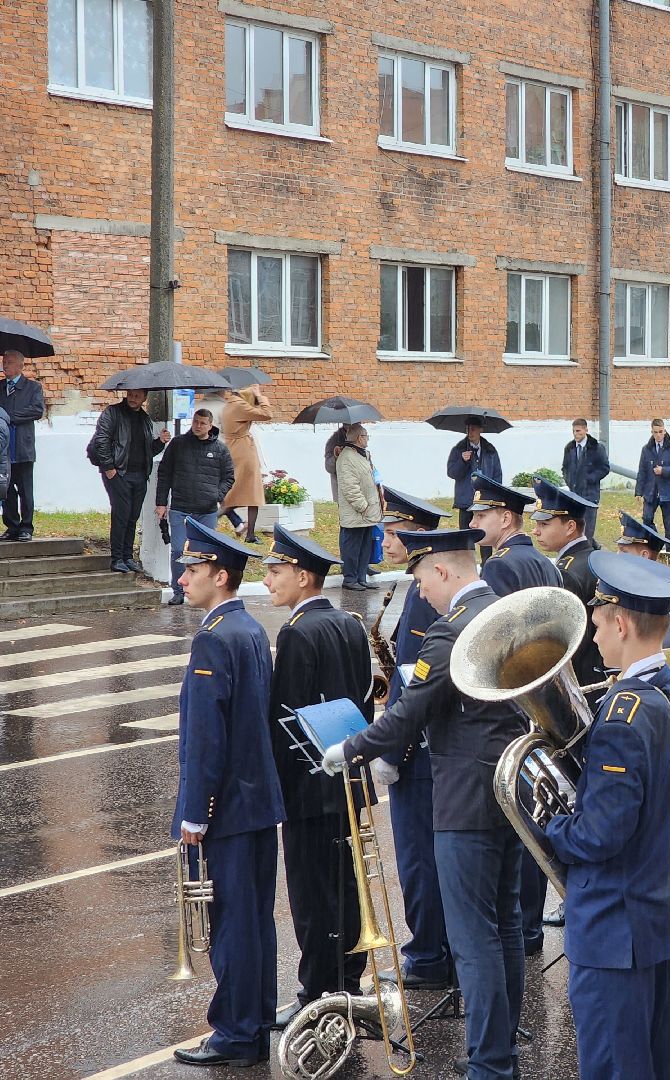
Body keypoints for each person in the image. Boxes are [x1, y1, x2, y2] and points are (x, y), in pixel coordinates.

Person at [321, 528, 529, 1080]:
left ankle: (489, 1062)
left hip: (463, 802)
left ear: (441, 571)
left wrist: (349, 748)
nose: (422, 592)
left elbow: (406, 715)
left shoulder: (450, 631)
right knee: (504, 924)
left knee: (473, 939)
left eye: (420, 579)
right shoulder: (505, 613)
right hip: (511, 794)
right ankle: (501, 1046)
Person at [545, 552, 670, 1078]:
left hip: (617, 928)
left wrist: (552, 825)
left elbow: (600, 834)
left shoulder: (623, 714)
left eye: (596, 625)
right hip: (664, 914)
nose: (592, 638)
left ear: (621, 622)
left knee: (615, 1067)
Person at [170, 521, 285, 1069]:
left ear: (220, 575)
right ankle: (256, 1018)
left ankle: (237, 1032)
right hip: (258, 800)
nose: (183, 578)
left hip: (230, 808)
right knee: (254, 917)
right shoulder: (248, 629)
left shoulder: (214, 638)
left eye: (193, 570)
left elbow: (206, 738)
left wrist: (194, 812)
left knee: (234, 921)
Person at [262, 525, 374, 1024]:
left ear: (304, 577)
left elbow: (283, 720)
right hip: (347, 779)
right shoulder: (348, 623)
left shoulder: (297, 632)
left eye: (276, 570)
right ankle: (348, 979)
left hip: (309, 786)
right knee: (346, 886)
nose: (268, 580)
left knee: (312, 895)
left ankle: (318, 991)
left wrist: (278, 790)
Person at [468, 473, 564, 958]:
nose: (473, 521)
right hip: (542, 705)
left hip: (512, 706)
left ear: (506, 518)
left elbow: (497, 644)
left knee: (521, 823)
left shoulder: (501, 568)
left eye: (481, 515)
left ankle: (524, 929)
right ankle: (528, 925)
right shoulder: (542, 561)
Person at [372, 487, 452, 990]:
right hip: (425, 751)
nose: (385, 538)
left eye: (394, 530)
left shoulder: (424, 600)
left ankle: (427, 954)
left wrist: (391, 752)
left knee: (418, 858)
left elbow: (418, 681)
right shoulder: (413, 587)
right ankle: (431, 946)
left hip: (417, 755)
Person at [531, 478, 605, 692]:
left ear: (570, 526)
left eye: (544, 524)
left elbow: (567, 640)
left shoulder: (566, 572)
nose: (536, 531)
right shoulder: (595, 556)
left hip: (581, 680)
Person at [155, 409, 235, 605]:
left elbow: (229, 477)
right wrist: (161, 502)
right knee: (178, 550)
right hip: (181, 507)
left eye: (203, 423)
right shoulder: (178, 444)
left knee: (205, 553)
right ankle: (178, 591)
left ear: (210, 425)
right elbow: (164, 473)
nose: (198, 426)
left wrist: (216, 496)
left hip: (207, 510)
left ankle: (203, 590)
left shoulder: (220, 449)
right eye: (196, 422)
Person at [90, 388, 170, 574]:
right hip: (119, 473)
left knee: (133, 516)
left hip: (139, 474)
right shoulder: (113, 413)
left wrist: (160, 441)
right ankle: (116, 558)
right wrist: (109, 468)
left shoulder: (144, 418)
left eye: (137, 396)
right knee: (121, 515)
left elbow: (148, 450)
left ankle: (127, 556)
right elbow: (101, 440)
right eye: (130, 394)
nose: (132, 398)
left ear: (144, 398)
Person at [218, 386, 272, 543]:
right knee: (248, 494)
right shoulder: (240, 405)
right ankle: (215, 516)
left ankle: (248, 532)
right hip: (243, 451)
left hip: (233, 448)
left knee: (243, 493)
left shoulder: (228, 404)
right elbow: (267, 414)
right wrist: (260, 396)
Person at [2, 349, 44, 541]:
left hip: (23, 447)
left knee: (26, 490)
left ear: (20, 366)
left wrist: (9, 417)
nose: (5, 365)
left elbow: (36, 410)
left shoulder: (32, 388)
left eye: (9, 362)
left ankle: (26, 527)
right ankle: (12, 526)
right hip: (4, 449)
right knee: (6, 489)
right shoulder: (1, 387)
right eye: (4, 362)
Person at [335, 423, 382, 590]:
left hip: (368, 512)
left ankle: (361, 578)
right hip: (357, 512)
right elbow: (350, 487)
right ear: (358, 438)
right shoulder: (347, 457)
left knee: (364, 547)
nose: (367, 439)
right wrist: (363, 506)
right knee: (352, 548)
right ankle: (350, 579)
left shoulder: (362, 455)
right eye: (365, 436)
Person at [635, 418, 670, 547]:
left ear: (665, 431)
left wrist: (664, 470)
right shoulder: (646, 449)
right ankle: (656, 543)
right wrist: (638, 491)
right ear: (651, 432)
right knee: (646, 519)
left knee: (669, 523)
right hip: (651, 491)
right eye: (655, 432)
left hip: (668, 492)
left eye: (660, 432)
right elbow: (642, 471)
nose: (658, 435)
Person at [561, 418, 609, 539]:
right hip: (574, 494)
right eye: (574, 431)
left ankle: (588, 550)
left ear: (586, 430)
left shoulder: (596, 448)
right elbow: (565, 467)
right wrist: (569, 480)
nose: (576, 434)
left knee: (588, 529)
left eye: (578, 431)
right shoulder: (569, 448)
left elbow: (604, 468)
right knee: (575, 527)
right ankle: (590, 548)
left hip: (590, 494)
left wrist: (590, 479)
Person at [446, 421, 502, 516]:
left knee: (484, 530)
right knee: (466, 530)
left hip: (486, 501)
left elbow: (497, 474)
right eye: (468, 429)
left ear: (481, 429)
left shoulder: (490, 450)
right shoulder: (459, 449)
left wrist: (495, 496)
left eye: (473, 429)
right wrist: (462, 461)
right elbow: (451, 473)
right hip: (466, 501)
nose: (470, 432)